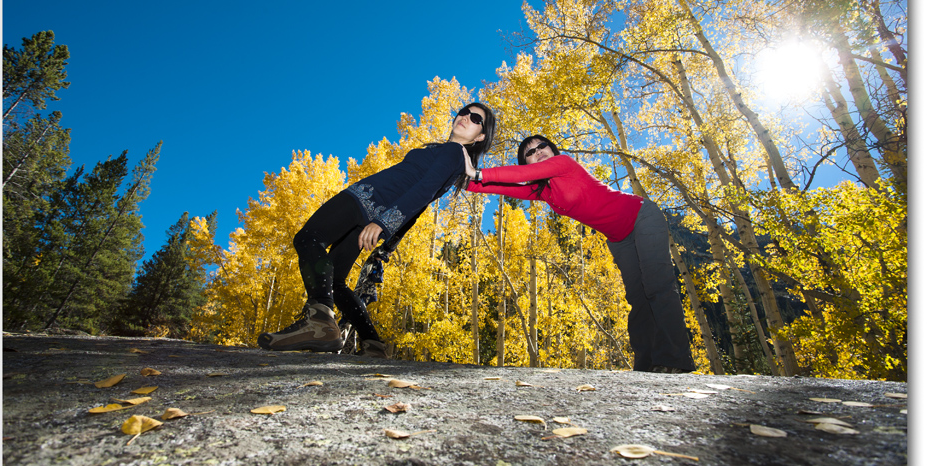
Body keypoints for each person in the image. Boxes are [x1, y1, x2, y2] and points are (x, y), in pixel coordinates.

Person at [258, 103, 496, 356]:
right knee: (336, 281)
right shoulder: (451, 155)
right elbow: (421, 203)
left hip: (364, 198)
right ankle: (372, 343)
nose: (464, 117)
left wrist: (384, 224)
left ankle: (319, 320)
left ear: (480, 136)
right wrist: (389, 237)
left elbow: (423, 192)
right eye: (463, 112)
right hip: (377, 212)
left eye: (475, 118)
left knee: (308, 238)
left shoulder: (453, 151)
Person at [463, 134, 695, 373]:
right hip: (619, 238)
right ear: (528, 163)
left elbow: (516, 176)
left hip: (642, 216)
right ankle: (647, 367)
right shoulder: (543, 191)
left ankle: (675, 361)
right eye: (530, 153)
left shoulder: (564, 164)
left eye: (542, 146)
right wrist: (464, 181)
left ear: (552, 150)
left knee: (657, 287)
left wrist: (477, 172)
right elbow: (504, 187)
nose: (538, 151)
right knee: (638, 300)